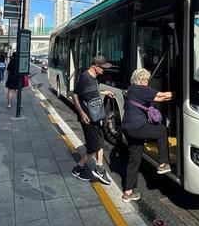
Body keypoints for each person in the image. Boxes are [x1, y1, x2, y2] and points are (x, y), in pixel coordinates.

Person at [121, 68, 173, 202]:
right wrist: (183, 93)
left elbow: (157, 98)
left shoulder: (131, 89)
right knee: (162, 130)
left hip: (127, 128)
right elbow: (162, 96)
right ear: (139, 80)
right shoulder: (141, 89)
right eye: (144, 79)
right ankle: (163, 164)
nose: (146, 82)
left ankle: (128, 192)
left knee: (134, 159)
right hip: (138, 127)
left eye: (147, 79)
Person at [71, 55, 115, 185]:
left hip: (94, 116)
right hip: (87, 117)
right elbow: (75, 95)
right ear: (95, 66)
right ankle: (88, 169)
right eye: (103, 68)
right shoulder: (85, 77)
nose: (104, 70)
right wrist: (81, 113)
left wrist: (105, 92)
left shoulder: (94, 78)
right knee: (93, 146)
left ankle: (90, 169)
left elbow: (92, 92)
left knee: (98, 142)